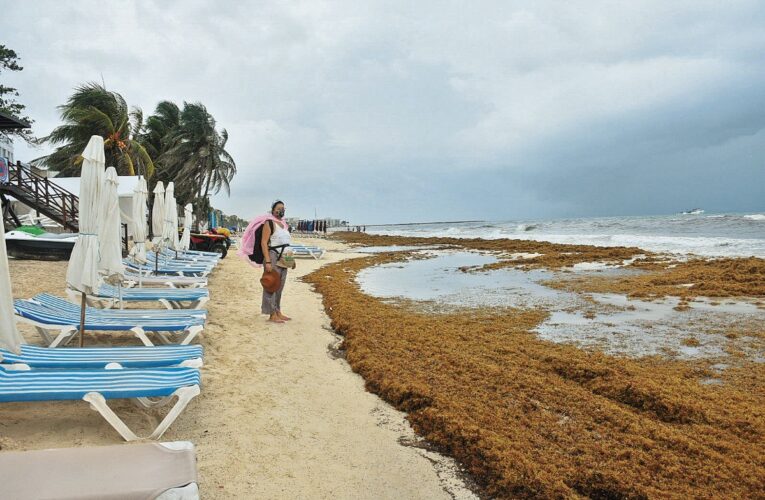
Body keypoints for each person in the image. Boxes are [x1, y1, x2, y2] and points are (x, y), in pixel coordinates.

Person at [260, 200, 292, 323]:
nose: (281, 210)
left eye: (283, 208)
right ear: (273, 210)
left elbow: (286, 243)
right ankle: (272, 313)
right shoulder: (269, 223)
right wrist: (267, 261)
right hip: (272, 256)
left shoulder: (284, 225)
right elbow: (263, 242)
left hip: (285, 257)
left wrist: (291, 261)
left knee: (280, 286)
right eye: (279, 208)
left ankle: (278, 310)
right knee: (271, 285)